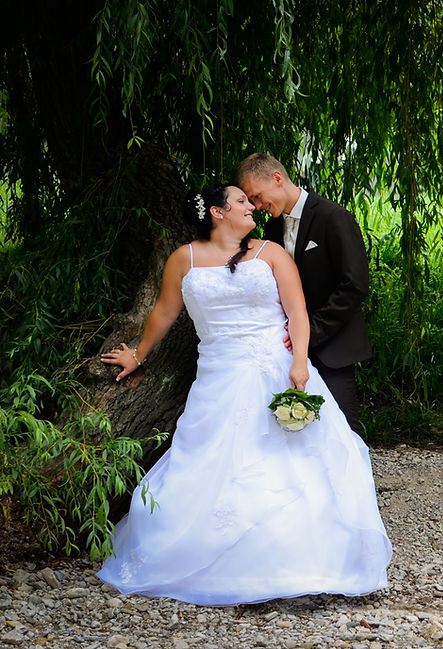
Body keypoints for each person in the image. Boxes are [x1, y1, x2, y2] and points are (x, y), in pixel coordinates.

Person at [98, 184, 392, 606]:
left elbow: (297, 313)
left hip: (275, 368)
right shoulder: (184, 258)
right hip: (219, 376)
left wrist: (300, 363)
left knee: (290, 461)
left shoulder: (270, 252)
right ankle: (211, 557)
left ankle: (298, 555)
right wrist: (138, 356)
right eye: (241, 201)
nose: (252, 206)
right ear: (217, 212)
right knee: (211, 459)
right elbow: (164, 311)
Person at [237, 154, 371, 433]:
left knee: (343, 430)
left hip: (333, 345)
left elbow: (354, 285)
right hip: (284, 348)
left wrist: (310, 331)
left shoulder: (333, 217)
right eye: (252, 201)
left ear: (277, 178)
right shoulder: (274, 227)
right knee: (296, 436)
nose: (258, 206)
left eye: (258, 197)